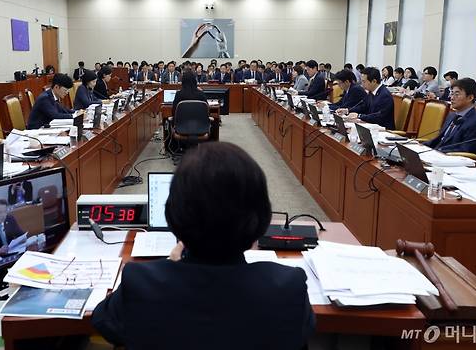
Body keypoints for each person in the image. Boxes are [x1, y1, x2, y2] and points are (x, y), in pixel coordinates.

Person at [91, 142, 314, 349]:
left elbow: (103, 321)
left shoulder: (141, 281)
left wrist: (168, 267)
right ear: (261, 218)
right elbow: (302, 331)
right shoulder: (288, 287)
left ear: (173, 215)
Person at [424, 78, 476, 153]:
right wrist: (420, 146)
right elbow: (439, 139)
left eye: (457, 94)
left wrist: (438, 151)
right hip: (435, 153)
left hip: (449, 159)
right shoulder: (452, 115)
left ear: (470, 97)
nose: (452, 98)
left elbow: (466, 150)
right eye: (452, 93)